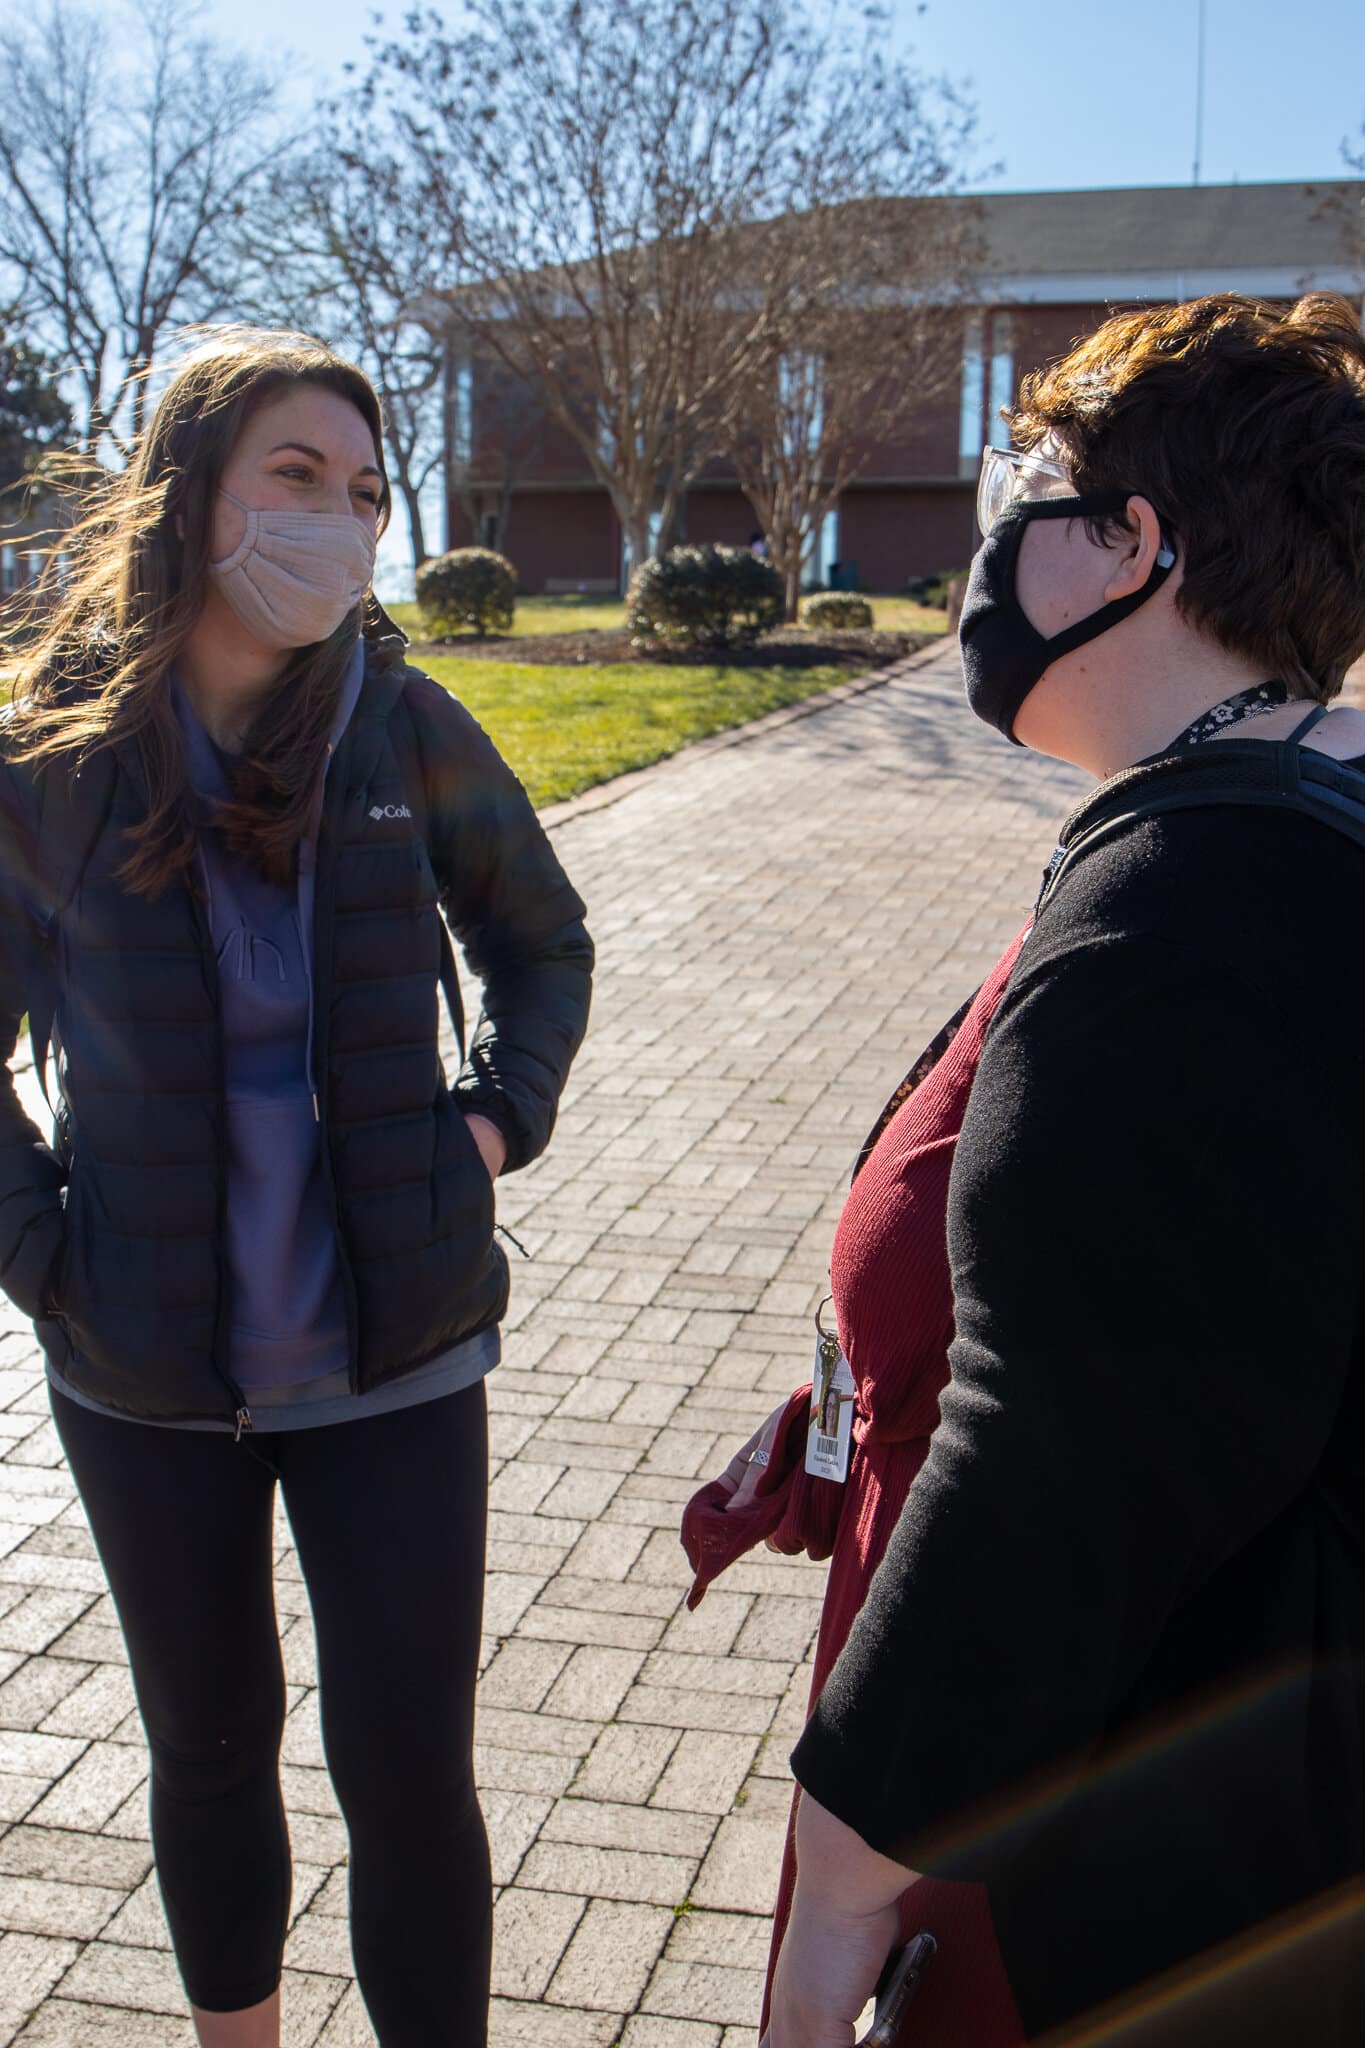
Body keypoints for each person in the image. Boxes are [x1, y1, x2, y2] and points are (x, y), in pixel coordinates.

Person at [690, 292, 1365, 2046]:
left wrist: (838, 1893)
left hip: (1124, 1853)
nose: (991, 546)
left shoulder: (1204, 894)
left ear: (1134, 544)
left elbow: (1078, 1432)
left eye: (1030, 488)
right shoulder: (1285, 817)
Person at [0, 328, 593, 2048]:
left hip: (396, 1360)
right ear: (191, 497)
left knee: (410, 1770)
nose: (338, 524)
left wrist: (487, 1131)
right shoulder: (55, 762)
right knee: (206, 1744)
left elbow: (542, 942)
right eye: (295, 480)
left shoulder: (403, 729)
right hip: (145, 1376)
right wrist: (52, 1259)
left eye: (365, 492)